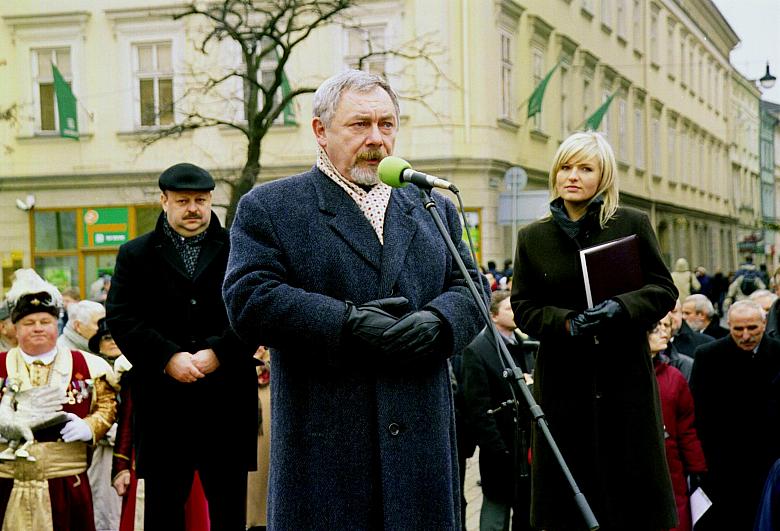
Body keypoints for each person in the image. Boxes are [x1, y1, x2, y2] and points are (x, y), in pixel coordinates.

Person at [222, 69, 487, 529]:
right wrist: (344, 322)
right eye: (360, 125)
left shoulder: (431, 206)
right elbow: (248, 297)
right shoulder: (272, 207)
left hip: (420, 447)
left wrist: (440, 322)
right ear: (321, 131)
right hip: (326, 451)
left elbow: (473, 289)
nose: (376, 139)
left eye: (386, 124)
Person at [511, 131, 678, 530]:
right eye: (566, 167)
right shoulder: (533, 238)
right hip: (564, 386)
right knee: (569, 502)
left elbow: (663, 289)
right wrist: (567, 321)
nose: (573, 176)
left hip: (625, 383)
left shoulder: (630, 224)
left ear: (603, 176)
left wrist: (620, 307)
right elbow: (523, 307)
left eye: (585, 168)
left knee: (629, 504)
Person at [106, 162, 258, 531]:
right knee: (163, 509)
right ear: (164, 201)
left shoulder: (240, 248)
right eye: (183, 200)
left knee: (228, 509)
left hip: (226, 401)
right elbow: (122, 318)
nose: (193, 208)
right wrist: (166, 356)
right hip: (163, 402)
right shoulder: (135, 254)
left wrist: (219, 352)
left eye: (201, 200)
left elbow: (255, 308)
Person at [0, 268, 117, 531]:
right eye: (29, 324)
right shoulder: (0, 366)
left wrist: (89, 427)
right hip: (6, 482)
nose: (38, 329)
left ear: (58, 324)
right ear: (15, 329)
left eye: (45, 321)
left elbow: (108, 405)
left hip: (68, 483)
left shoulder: (90, 365)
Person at [690, 300, 780, 530]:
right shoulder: (708, 356)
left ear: (764, 324)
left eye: (752, 328)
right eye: (738, 329)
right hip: (723, 465)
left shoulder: (779, 354)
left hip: (769, 462)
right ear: (728, 325)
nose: (746, 335)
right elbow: (698, 411)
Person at [462, 290, 534, 531]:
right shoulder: (478, 350)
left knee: (526, 513)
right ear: (493, 317)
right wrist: (498, 448)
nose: (516, 313)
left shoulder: (525, 345)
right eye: (509, 309)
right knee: (495, 516)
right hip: (500, 452)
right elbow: (478, 407)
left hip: (527, 449)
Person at [647, 317, 707, 531]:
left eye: (665, 327)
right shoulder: (617, 378)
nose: (665, 332)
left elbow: (686, 428)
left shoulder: (674, 376)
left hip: (671, 469)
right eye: (656, 329)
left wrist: (697, 467)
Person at [86, 318, 131, 531]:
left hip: (128, 448)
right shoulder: (92, 370)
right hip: (100, 450)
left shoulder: (132, 367)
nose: (112, 342)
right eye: (106, 338)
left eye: (116, 337)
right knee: (101, 503)